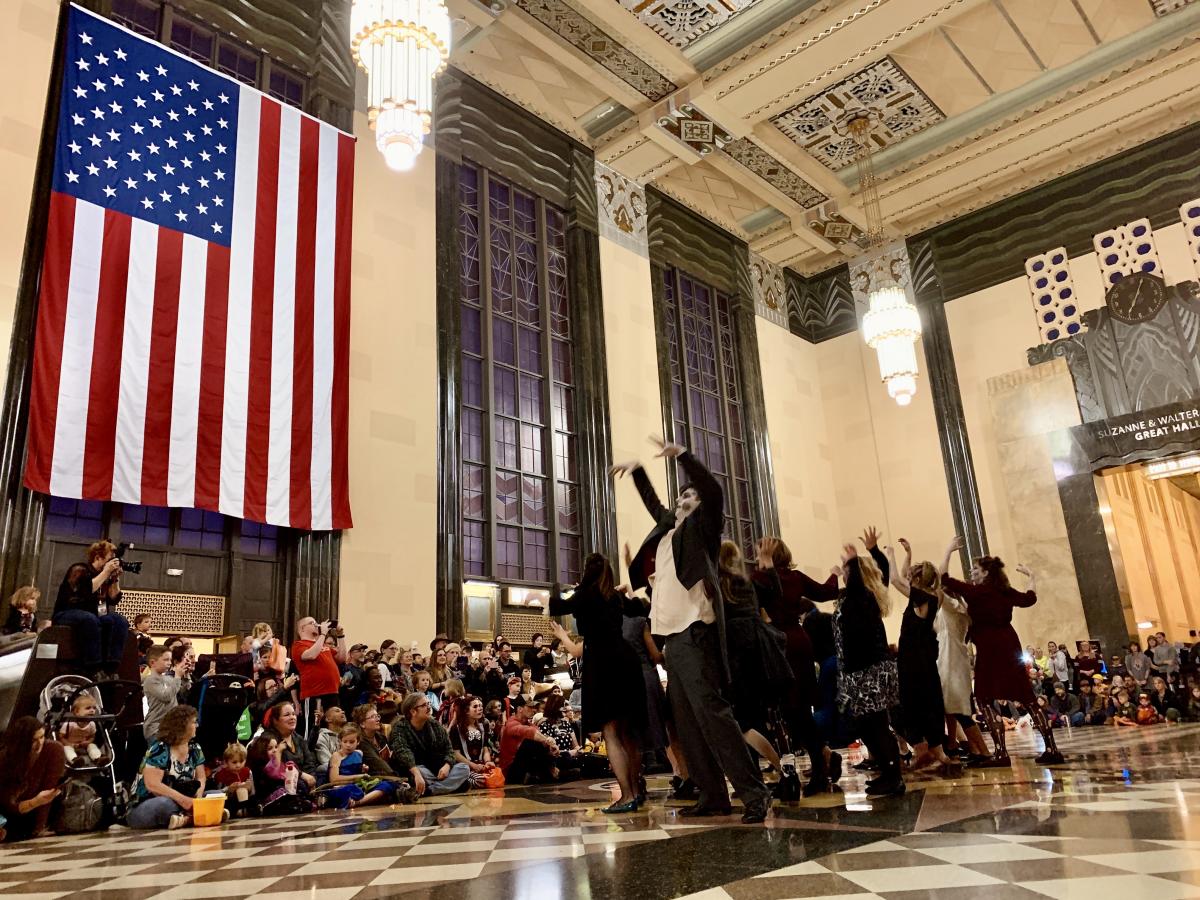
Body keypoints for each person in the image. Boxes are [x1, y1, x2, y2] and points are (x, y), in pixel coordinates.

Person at [613, 435, 770, 823]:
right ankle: (714, 794)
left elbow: (713, 491)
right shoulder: (670, 530)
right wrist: (638, 472)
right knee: (686, 723)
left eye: (690, 496)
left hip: (695, 632)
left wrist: (683, 457)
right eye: (681, 496)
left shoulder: (702, 529)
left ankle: (755, 793)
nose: (685, 499)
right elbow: (656, 506)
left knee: (713, 716)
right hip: (672, 639)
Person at [940, 537, 1062, 765]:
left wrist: (948, 550)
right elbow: (1030, 599)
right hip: (1009, 642)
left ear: (986, 572)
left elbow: (944, 578)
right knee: (1028, 698)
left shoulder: (977, 592)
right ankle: (1053, 749)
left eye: (975, 569)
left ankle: (1000, 752)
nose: (972, 572)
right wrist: (1032, 577)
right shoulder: (1004, 591)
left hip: (989, 647)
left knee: (984, 698)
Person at [549, 552, 647, 812]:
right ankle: (636, 791)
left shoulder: (585, 594)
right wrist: (627, 590)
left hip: (602, 662)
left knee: (611, 731)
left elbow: (557, 606)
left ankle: (626, 796)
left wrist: (554, 588)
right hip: (626, 659)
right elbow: (642, 608)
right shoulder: (614, 596)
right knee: (629, 732)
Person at [751, 537, 840, 794]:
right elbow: (827, 592)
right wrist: (834, 574)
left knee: (790, 713)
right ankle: (822, 760)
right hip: (801, 641)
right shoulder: (797, 577)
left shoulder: (762, 578)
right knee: (799, 710)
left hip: (779, 645)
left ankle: (817, 770)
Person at [832, 533, 905, 796]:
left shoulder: (862, 596)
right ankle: (887, 772)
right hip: (860, 670)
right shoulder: (856, 598)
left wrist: (863, 556)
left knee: (874, 725)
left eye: (847, 571)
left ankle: (893, 777)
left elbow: (881, 570)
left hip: (869, 670)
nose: (843, 574)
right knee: (868, 725)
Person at [884, 544, 954, 769]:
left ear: (916, 579)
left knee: (909, 704)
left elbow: (895, 579)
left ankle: (922, 749)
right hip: (927, 659)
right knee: (931, 702)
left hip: (912, 661)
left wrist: (891, 555)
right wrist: (909, 555)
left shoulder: (921, 597)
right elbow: (908, 578)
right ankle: (937, 750)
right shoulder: (936, 595)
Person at [52, 542, 130, 679]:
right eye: (109, 558)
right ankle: (93, 667)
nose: (112, 562)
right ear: (98, 557)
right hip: (67, 612)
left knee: (119, 620)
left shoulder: (105, 574)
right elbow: (85, 592)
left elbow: (113, 598)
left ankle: (111, 667)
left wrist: (115, 578)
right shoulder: (80, 569)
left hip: (94, 614)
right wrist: (106, 572)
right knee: (89, 619)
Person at [128, 705, 211, 829]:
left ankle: (186, 818)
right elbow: (152, 785)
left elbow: (201, 778)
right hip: (146, 803)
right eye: (194, 722)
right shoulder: (160, 748)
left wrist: (197, 799)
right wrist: (183, 801)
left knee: (215, 795)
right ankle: (194, 817)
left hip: (184, 800)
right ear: (182, 726)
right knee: (165, 804)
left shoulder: (195, 748)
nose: (197, 726)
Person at [388, 692, 470, 796]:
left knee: (464, 768)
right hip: (415, 770)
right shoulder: (400, 728)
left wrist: (447, 765)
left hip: (438, 770)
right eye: (424, 705)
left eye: (429, 704)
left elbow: (449, 749)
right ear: (413, 711)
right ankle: (452, 785)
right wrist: (417, 774)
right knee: (421, 771)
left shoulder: (435, 725)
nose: (429, 707)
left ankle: (431, 790)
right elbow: (402, 753)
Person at [0, 716, 65, 842]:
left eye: (42, 737)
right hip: (14, 808)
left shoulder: (53, 749)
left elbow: (50, 785)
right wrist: (34, 802)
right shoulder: (5, 758)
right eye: (34, 740)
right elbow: (7, 801)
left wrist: (39, 826)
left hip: (40, 807)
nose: (40, 742)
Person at [291, 617, 347, 738]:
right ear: (302, 628)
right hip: (315, 694)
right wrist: (322, 634)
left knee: (334, 728)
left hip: (332, 692)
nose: (316, 624)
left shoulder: (322, 645)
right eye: (312, 623)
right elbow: (311, 655)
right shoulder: (298, 645)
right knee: (312, 728)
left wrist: (341, 636)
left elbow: (342, 658)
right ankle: (309, 754)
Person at [324, 725, 399, 809]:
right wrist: (359, 776)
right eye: (345, 742)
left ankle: (358, 802)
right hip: (342, 786)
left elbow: (358, 771)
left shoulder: (359, 753)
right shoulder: (337, 756)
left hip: (359, 784)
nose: (348, 745)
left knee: (389, 784)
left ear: (358, 742)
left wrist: (363, 770)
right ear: (340, 742)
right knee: (349, 790)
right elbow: (334, 779)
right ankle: (363, 799)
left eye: (352, 742)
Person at [498, 695, 560, 784]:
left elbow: (539, 737)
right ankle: (549, 773)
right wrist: (547, 741)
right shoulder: (510, 724)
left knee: (562, 756)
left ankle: (552, 771)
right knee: (530, 742)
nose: (534, 710)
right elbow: (529, 732)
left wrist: (551, 748)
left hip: (527, 765)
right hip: (511, 772)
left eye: (534, 707)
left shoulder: (530, 724)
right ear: (520, 709)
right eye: (530, 707)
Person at [142, 644, 186, 742]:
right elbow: (166, 696)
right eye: (166, 660)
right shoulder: (150, 680)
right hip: (155, 728)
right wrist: (178, 677)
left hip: (170, 727)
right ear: (153, 662)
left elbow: (179, 690)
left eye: (170, 660)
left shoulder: (167, 678)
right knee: (160, 756)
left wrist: (181, 671)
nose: (169, 663)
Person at [451, 695, 497, 788]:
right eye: (475, 706)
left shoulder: (483, 726)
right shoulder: (456, 728)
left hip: (480, 764)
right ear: (466, 711)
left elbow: (485, 748)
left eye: (481, 706)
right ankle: (462, 782)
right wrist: (473, 765)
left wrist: (487, 761)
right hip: (465, 766)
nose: (479, 709)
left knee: (497, 776)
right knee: (480, 780)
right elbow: (455, 754)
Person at [59, 692, 105, 767]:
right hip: (71, 745)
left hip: (84, 746)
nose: (92, 710)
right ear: (77, 712)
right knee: (66, 748)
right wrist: (68, 743)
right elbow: (61, 736)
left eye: (94, 708)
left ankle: (98, 758)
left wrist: (88, 742)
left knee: (92, 745)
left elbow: (92, 736)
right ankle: (75, 760)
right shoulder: (70, 723)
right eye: (88, 708)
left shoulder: (92, 724)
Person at [212, 742, 255, 817]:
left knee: (254, 800)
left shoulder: (247, 771)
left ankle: (245, 810)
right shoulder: (221, 774)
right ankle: (237, 811)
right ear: (226, 762)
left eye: (241, 761)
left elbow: (253, 792)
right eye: (234, 762)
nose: (238, 765)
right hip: (230, 800)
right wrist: (229, 789)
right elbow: (218, 793)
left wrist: (249, 788)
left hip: (246, 798)